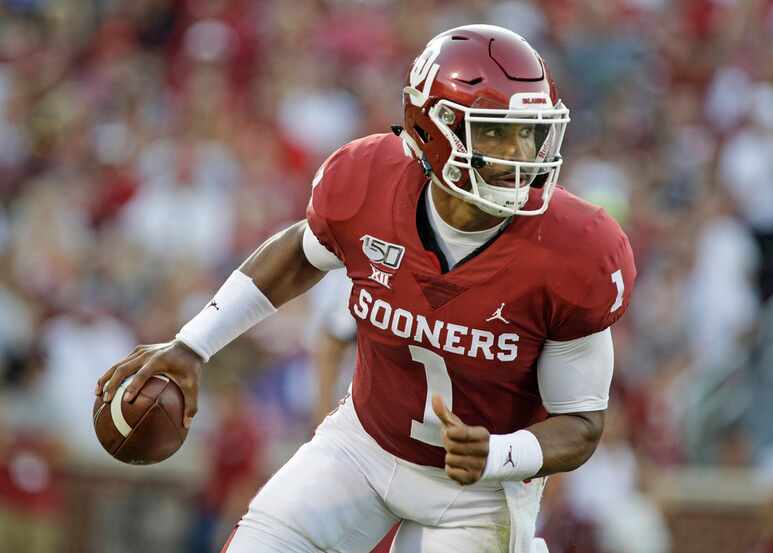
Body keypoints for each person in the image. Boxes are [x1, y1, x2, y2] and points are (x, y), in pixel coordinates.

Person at [96, 25, 636, 553]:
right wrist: (194, 344)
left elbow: (583, 424)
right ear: (431, 129)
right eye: (495, 131)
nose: (519, 153)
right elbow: (301, 254)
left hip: (479, 493)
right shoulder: (368, 181)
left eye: (530, 132)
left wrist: (499, 454)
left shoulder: (577, 250)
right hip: (363, 446)